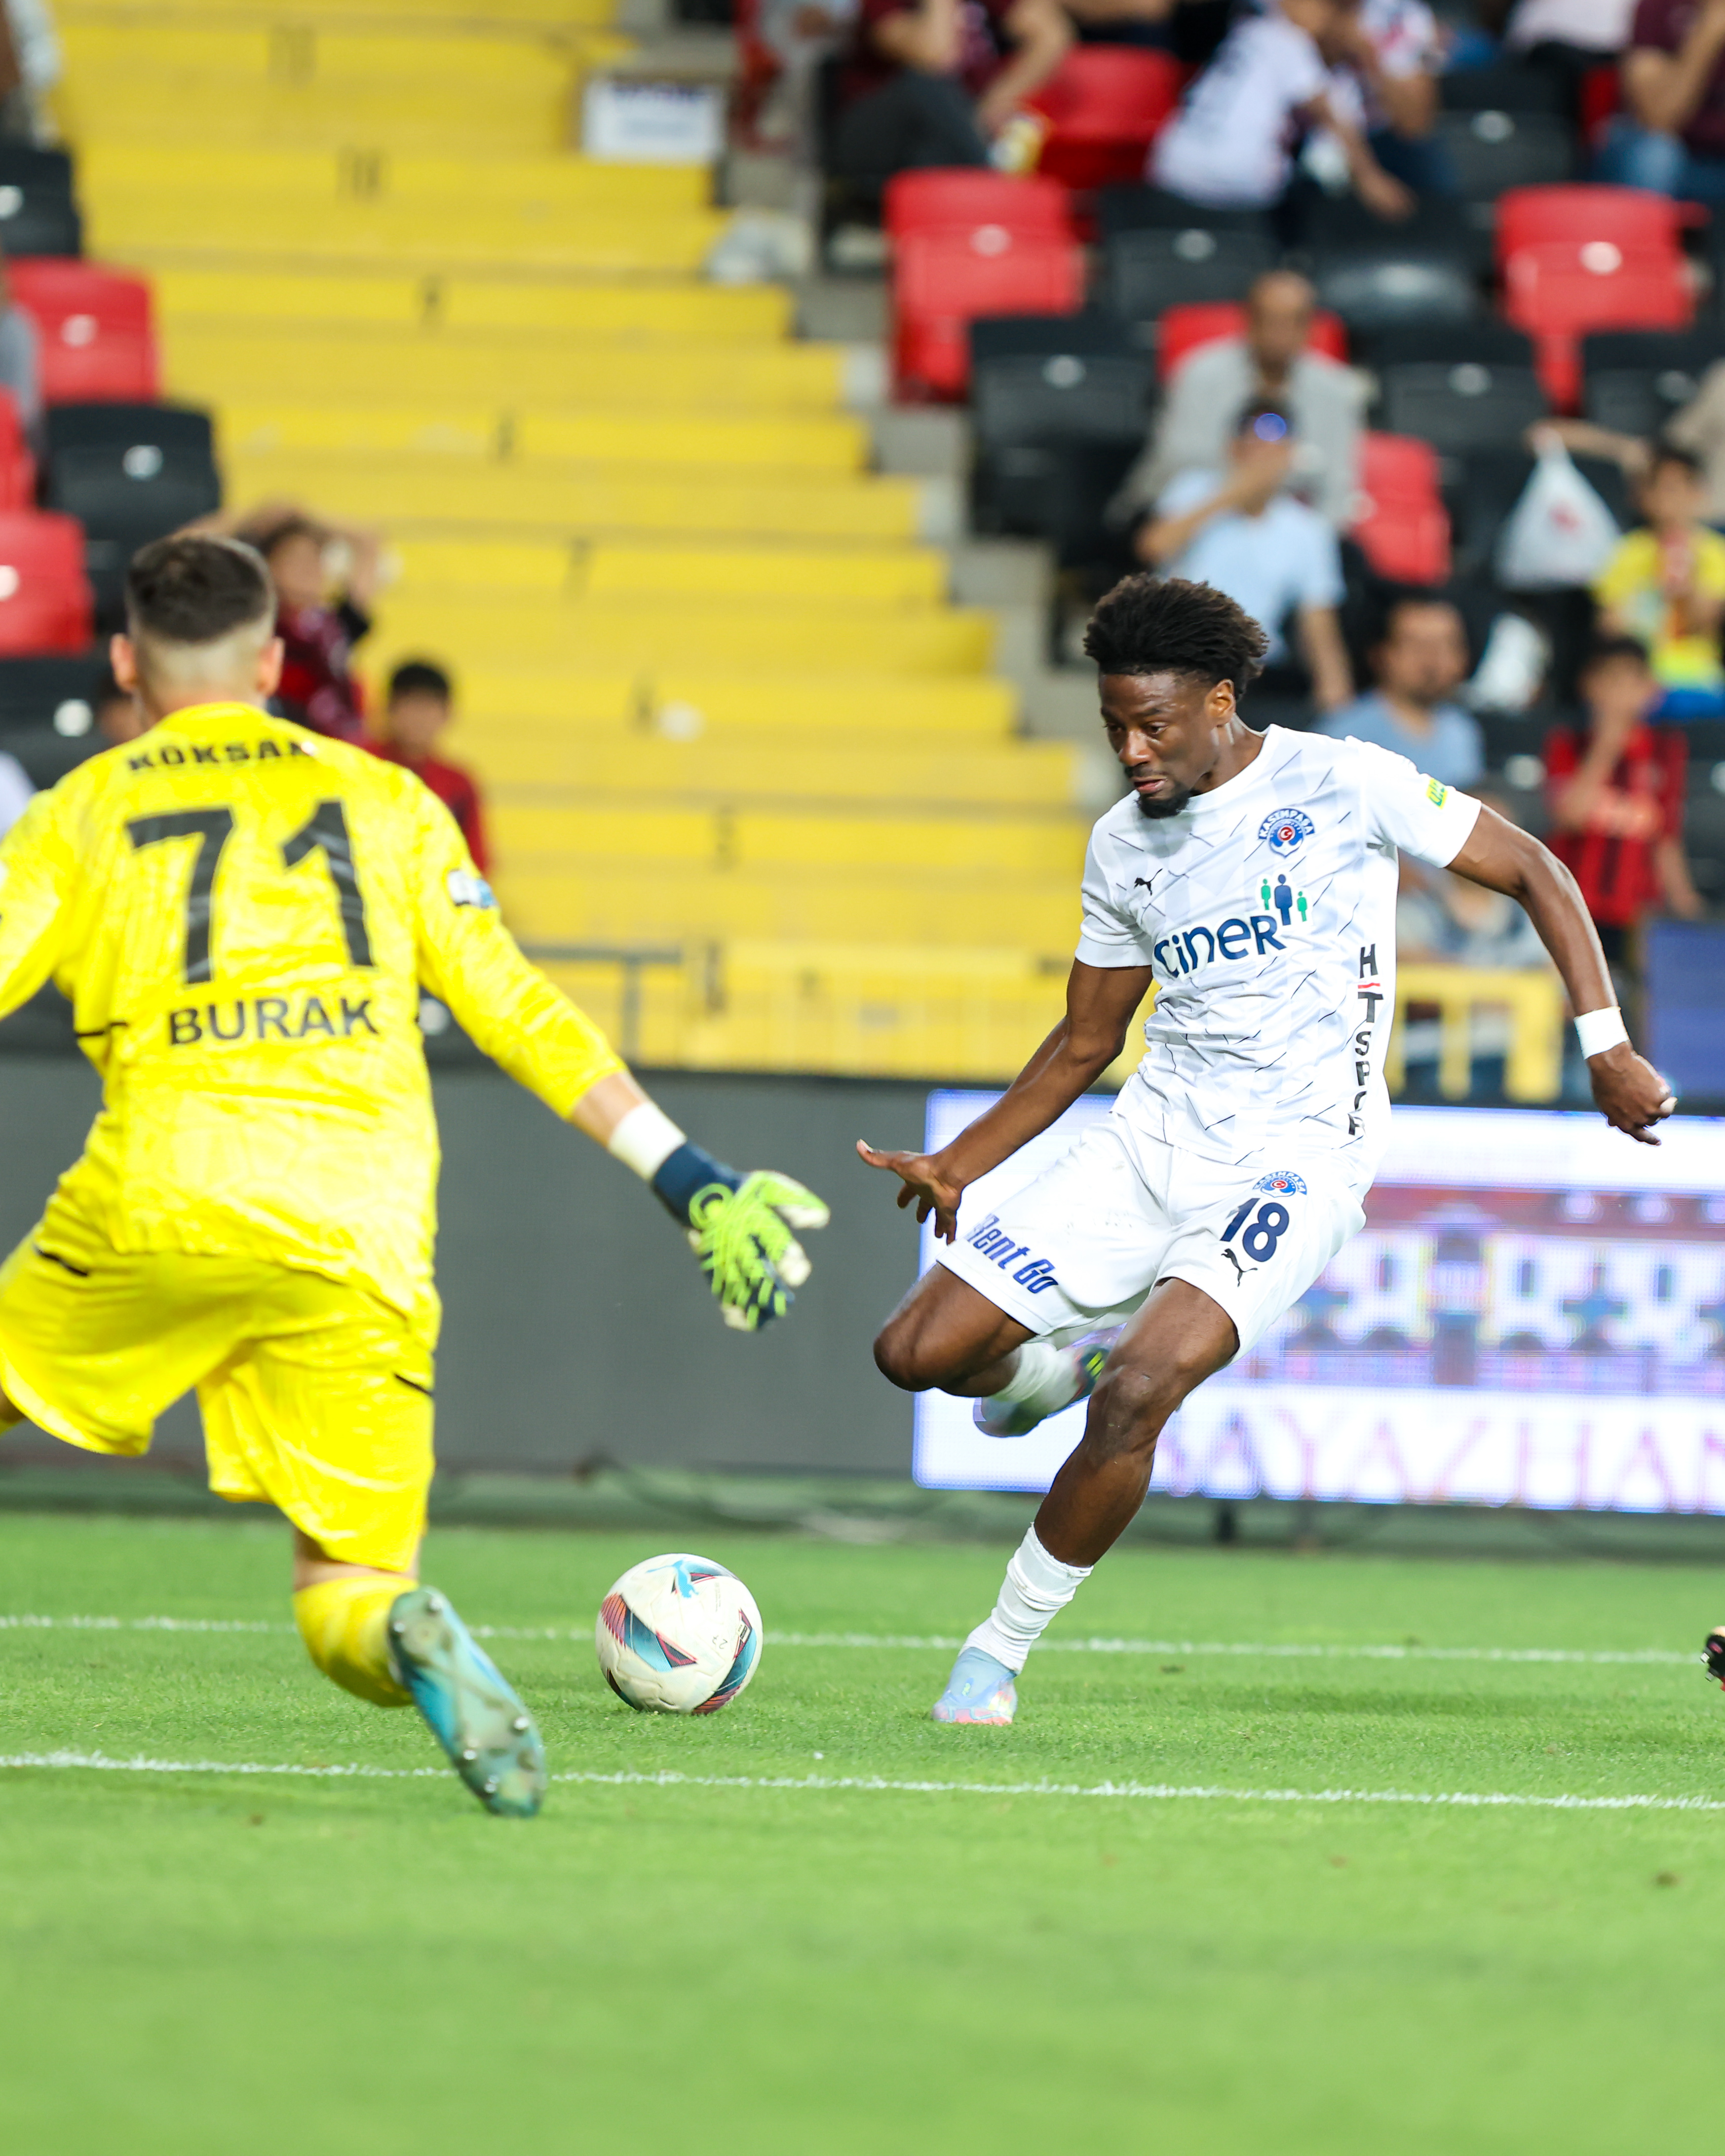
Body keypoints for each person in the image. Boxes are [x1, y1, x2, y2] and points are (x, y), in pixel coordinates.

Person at [0, 534, 828, 1816]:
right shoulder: (390, 801)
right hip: (363, 1226)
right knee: (348, 1586)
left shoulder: (79, 812)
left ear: (124, 662)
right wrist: (687, 1174)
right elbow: (515, 1007)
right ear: (270, 665)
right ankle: (404, 1631)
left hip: (160, 1192)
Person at [859, 573, 1674, 1728]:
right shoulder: (1120, 844)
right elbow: (1086, 1039)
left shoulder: (1343, 781)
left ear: (1219, 700)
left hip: (1297, 1157)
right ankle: (1042, 1374)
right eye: (1113, 727)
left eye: (1151, 725)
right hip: (1149, 1142)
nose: (1130, 751)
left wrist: (1605, 1044)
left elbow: (1535, 869)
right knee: (914, 1353)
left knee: (1137, 1390)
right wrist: (960, 1164)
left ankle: (995, 1654)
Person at [1136, 403, 1354, 712]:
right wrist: (1232, 494)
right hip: (1179, 660)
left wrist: (1334, 691)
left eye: (1275, 448)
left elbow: (1319, 621)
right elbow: (1153, 546)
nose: (1264, 457)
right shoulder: (1191, 490)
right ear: (1233, 447)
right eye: (1254, 444)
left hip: (1255, 672)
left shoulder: (1308, 529)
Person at [1113, 271, 1366, 531]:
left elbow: (1338, 488)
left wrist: (1310, 542)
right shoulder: (1200, 373)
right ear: (1249, 320)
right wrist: (1267, 473)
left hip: (1291, 529)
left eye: (1293, 322)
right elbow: (1177, 460)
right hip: (1192, 515)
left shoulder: (1337, 391)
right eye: (1269, 320)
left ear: (1309, 327)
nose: (1279, 333)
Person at [1149, 0, 1416, 219]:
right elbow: (1329, 115)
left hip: (1172, 165)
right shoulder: (1285, 41)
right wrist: (1371, 179)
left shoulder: (1251, 31)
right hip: (1236, 181)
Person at [1544, 633, 1703, 975]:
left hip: (1635, 910)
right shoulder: (1568, 743)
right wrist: (1606, 745)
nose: (1620, 694)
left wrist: (1685, 903)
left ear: (1651, 691)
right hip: (1574, 902)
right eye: (1611, 680)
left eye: (1631, 682)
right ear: (1589, 685)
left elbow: (1666, 836)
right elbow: (1569, 814)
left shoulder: (1666, 752)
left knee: (1633, 993)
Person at [831, 0, 1072, 196]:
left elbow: (1052, 37)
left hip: (954, 130)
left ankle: (975, 206)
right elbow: (935, 59)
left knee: (938, 154)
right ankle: (992, 188)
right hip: (876, 135)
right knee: (925, 86)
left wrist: (998, 100)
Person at [1592, 445, 1725, 715]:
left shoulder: (1714, 553)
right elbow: (1609, 626)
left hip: (1699, 678)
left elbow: (1710, 619)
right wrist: (1649, 594)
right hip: (1640, 680)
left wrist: (1685, 582)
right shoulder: (1628, 552)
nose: (1667, 500)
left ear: (1696, 493)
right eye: (1658, 489)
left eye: (1674, 489)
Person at [1317, 592, 1484, 788]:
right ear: (1381, 654)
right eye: (1417, 646)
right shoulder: (1344, 733)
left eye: (1446, 646)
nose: (1433, 662)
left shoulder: (1462, 730)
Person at [1596, 0, 1725, 199]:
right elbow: (1659, 119)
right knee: (1657, 155)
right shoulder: (1658, 8)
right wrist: (1709, 30)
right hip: (1665, 152)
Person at [371, 658, 489, 875]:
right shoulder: (362, 765)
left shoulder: (458, 784)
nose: (419, 718)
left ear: (447, 714)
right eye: (411, 705)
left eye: (428, 708)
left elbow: (475, 863)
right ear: (389, 709)